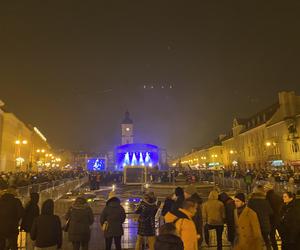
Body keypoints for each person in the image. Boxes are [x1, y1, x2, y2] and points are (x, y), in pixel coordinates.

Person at [247, 185, 273, 250]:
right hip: (265, 225)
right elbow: (270, 212)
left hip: (255, 226)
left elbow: (247, 213)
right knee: (267, 241)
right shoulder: (265, 201)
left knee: (256, 243)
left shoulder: (251, 201)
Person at [265, 183, 283, 250]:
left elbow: (267, 209)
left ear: (267, 189)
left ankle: (275, 248)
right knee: (282, 235)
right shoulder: (278, 196)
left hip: (271, 219)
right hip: (278, 218)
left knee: (272, 236)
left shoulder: (267, 198)